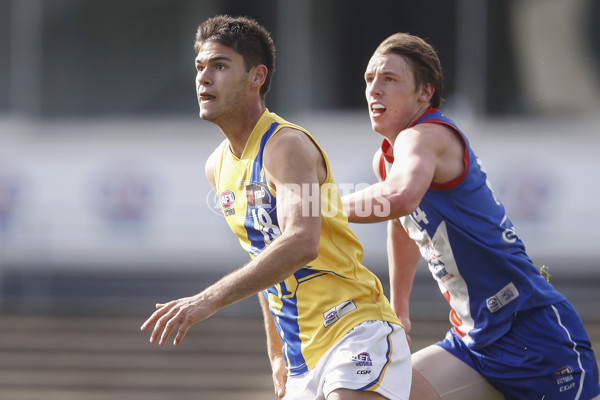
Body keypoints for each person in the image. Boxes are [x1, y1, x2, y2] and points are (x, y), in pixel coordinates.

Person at [140, 16, 411, 400]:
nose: (204, 78)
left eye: (219, 66)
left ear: (257, 76)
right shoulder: (217, 167)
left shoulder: (284, 145)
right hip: (300, 356)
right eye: (200, 67)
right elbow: (264, 260)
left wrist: (207, 300)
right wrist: (276, 353)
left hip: (353, 327)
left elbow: (301, 243)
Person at [342, 32, 600, 400]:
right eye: (370, 79)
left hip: (533, 332)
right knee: (371, 393)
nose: (374, 90)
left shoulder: (424, 136)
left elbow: (400, 198)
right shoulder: (387, 158)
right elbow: (403, 220)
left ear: (424, 92)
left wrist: (315, 206)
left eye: (389, 79)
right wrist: (399, 305)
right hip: (473, 341)